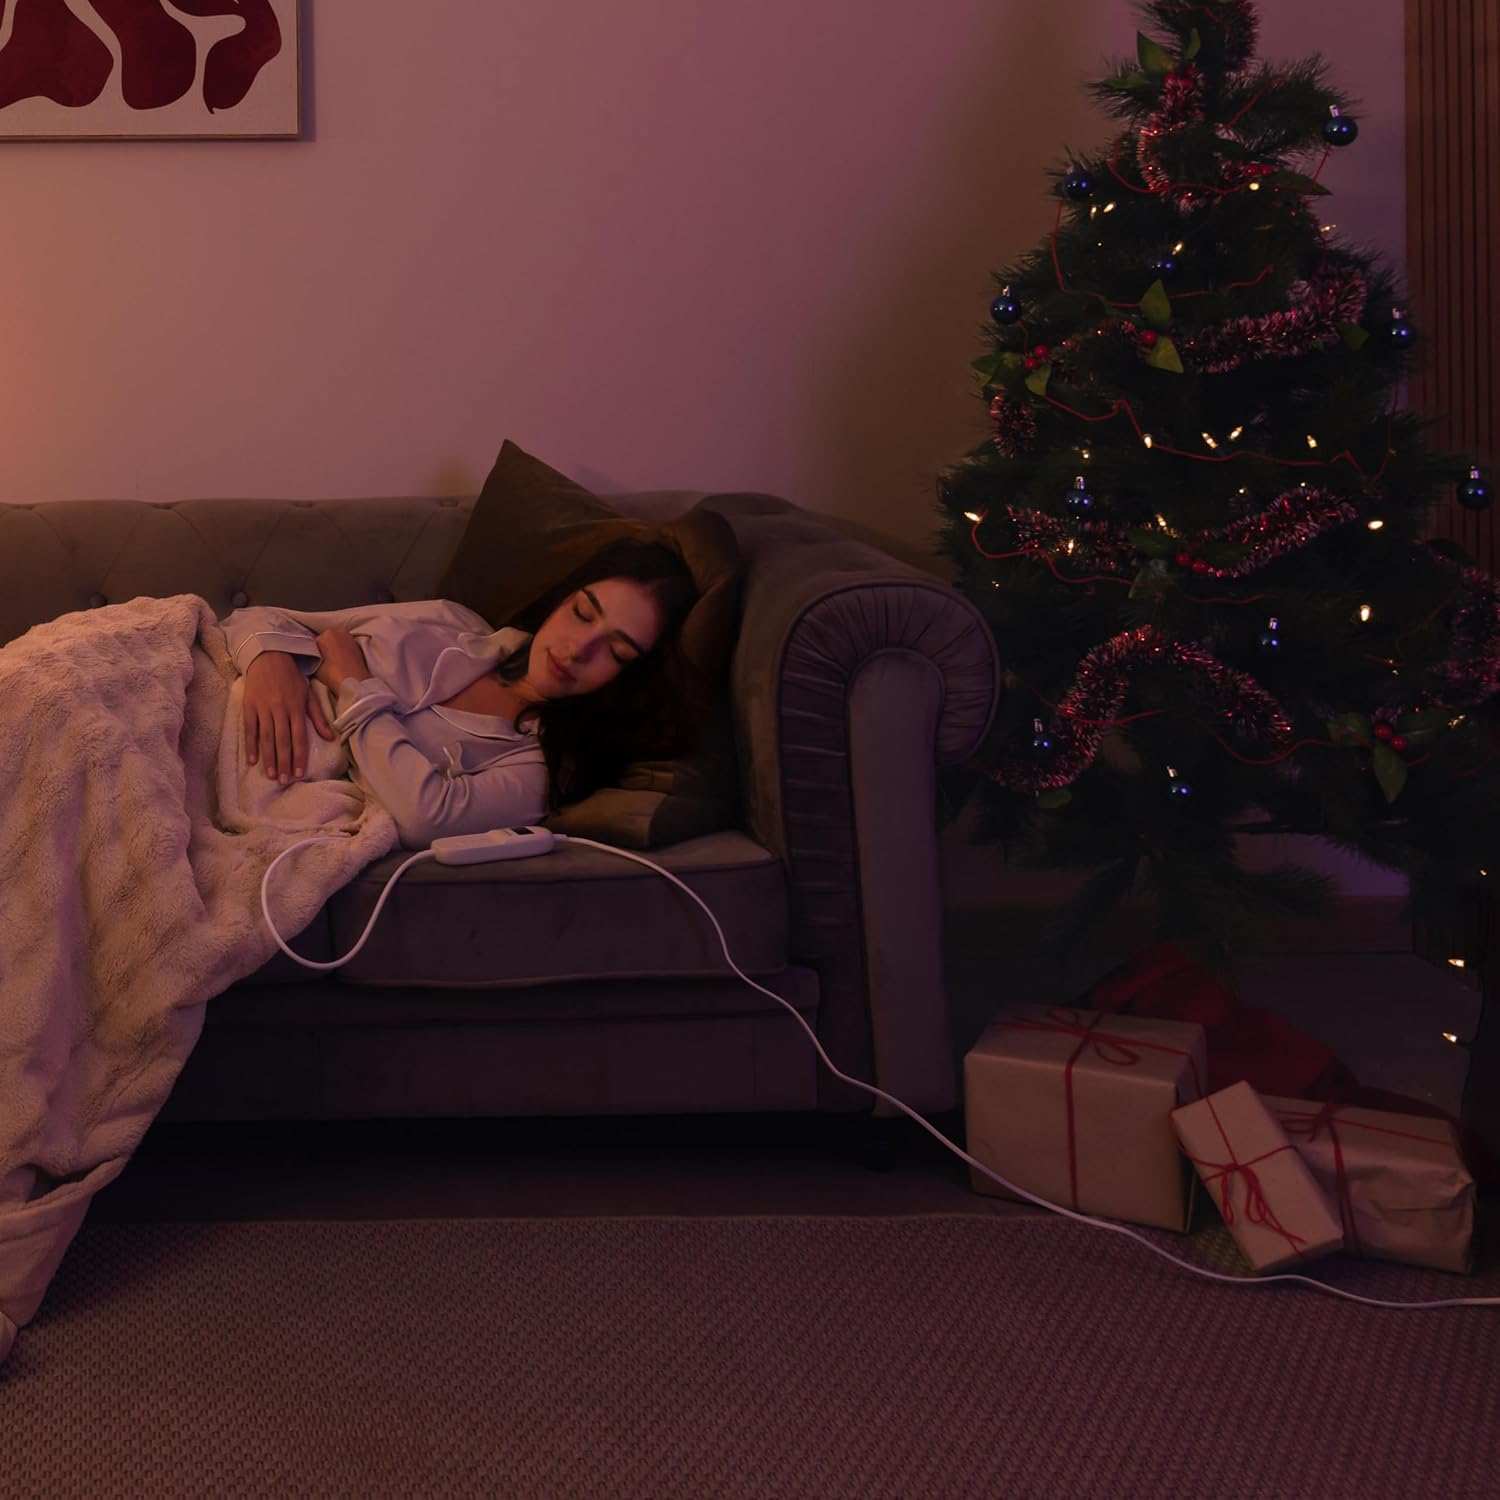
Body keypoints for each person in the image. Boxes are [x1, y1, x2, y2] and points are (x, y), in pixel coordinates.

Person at [220, 538, 700, 847]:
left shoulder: (539, 767)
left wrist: (355, 686)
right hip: (214, 691)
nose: (578, 649)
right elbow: (256, 619)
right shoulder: (450, 622)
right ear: (562, 599)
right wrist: (269, 659)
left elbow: (425, 817)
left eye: (616, 651)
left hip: (243, 774)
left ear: (630, 682)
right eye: (582, 612)